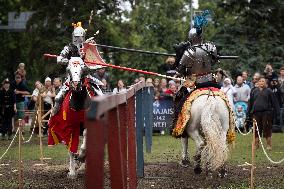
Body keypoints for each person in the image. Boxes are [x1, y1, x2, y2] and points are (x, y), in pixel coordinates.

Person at [247, 76, 280, 150]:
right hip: (256, 113)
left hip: (266, 113)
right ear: (258, 83)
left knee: (267, 128)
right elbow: (251, 103)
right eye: (260, 81)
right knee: (256, 129)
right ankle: (256, 144)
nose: (261, 82)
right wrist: (249, 113)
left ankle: (269, 145)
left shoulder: (269, 91)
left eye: (263, 81)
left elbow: (275, 103)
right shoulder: (254, 91)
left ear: (266, 83)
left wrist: (278, 113)